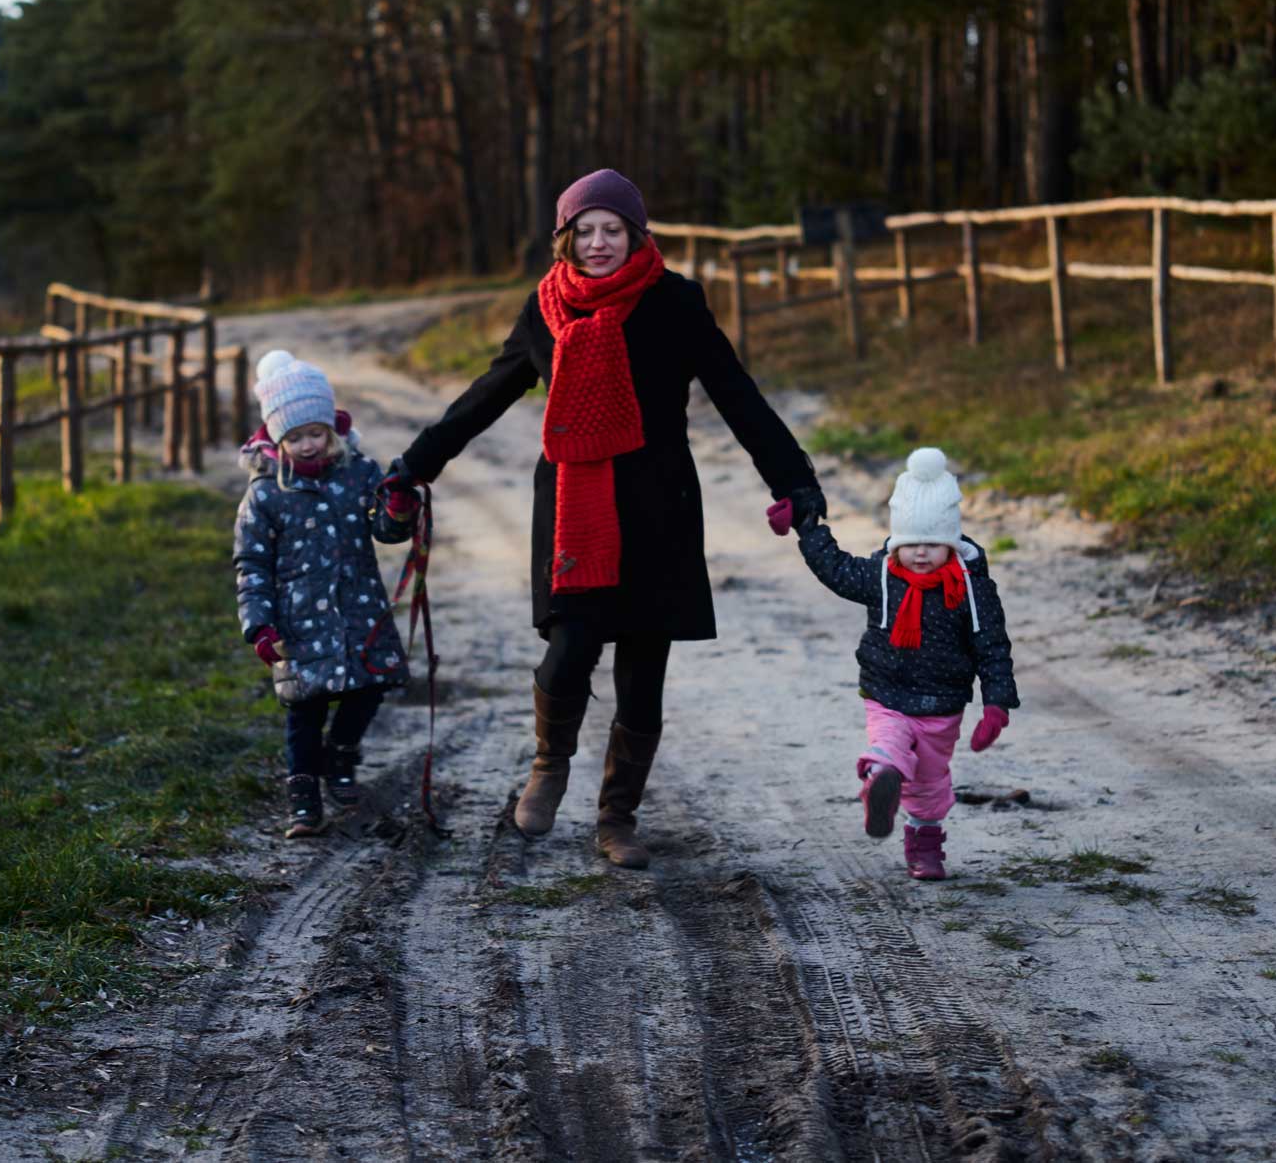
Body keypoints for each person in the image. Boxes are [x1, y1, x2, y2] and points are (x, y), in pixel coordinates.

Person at [385, 168, 824, 868]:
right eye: (584, 230)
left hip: (658, 512)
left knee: (642, 673)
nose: (598, 243)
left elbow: (739, 396)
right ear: (565, 237)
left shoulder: (676, 303)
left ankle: (617, 817)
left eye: (611, 229)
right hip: (572, 512)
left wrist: (795, 480)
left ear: (636, 233)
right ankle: (549, 763)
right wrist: (414, 464)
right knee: (567, 652)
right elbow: (487, 395)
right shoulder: (545, 309)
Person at [780, 447, 1019, 880]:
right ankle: (881, 781)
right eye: (911, 544)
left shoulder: (971, 589)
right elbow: (835, 568)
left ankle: (924, 847)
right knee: (888, 748)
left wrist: (997, 705)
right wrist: (806, 524)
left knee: (929, 783)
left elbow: (992, 647)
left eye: (933, 544)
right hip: (886, 694)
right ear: (896, 542)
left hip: (941, 704)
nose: (921, 554)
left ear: (951, 542)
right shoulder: (882, 576)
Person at [234, 349, 417, 838]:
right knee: (304, 708)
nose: (308, 445)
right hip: (297, 622)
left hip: (360, 611)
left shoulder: (359, 473)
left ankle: (341, 755)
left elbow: (388, 531)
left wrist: (398, 506)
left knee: (371, 685)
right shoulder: (266, 493)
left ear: (332, 427)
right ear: (277, 437)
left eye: (316, 432)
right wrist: (260, 624)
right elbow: (251, 563)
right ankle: (303, 798)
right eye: (295, 437)